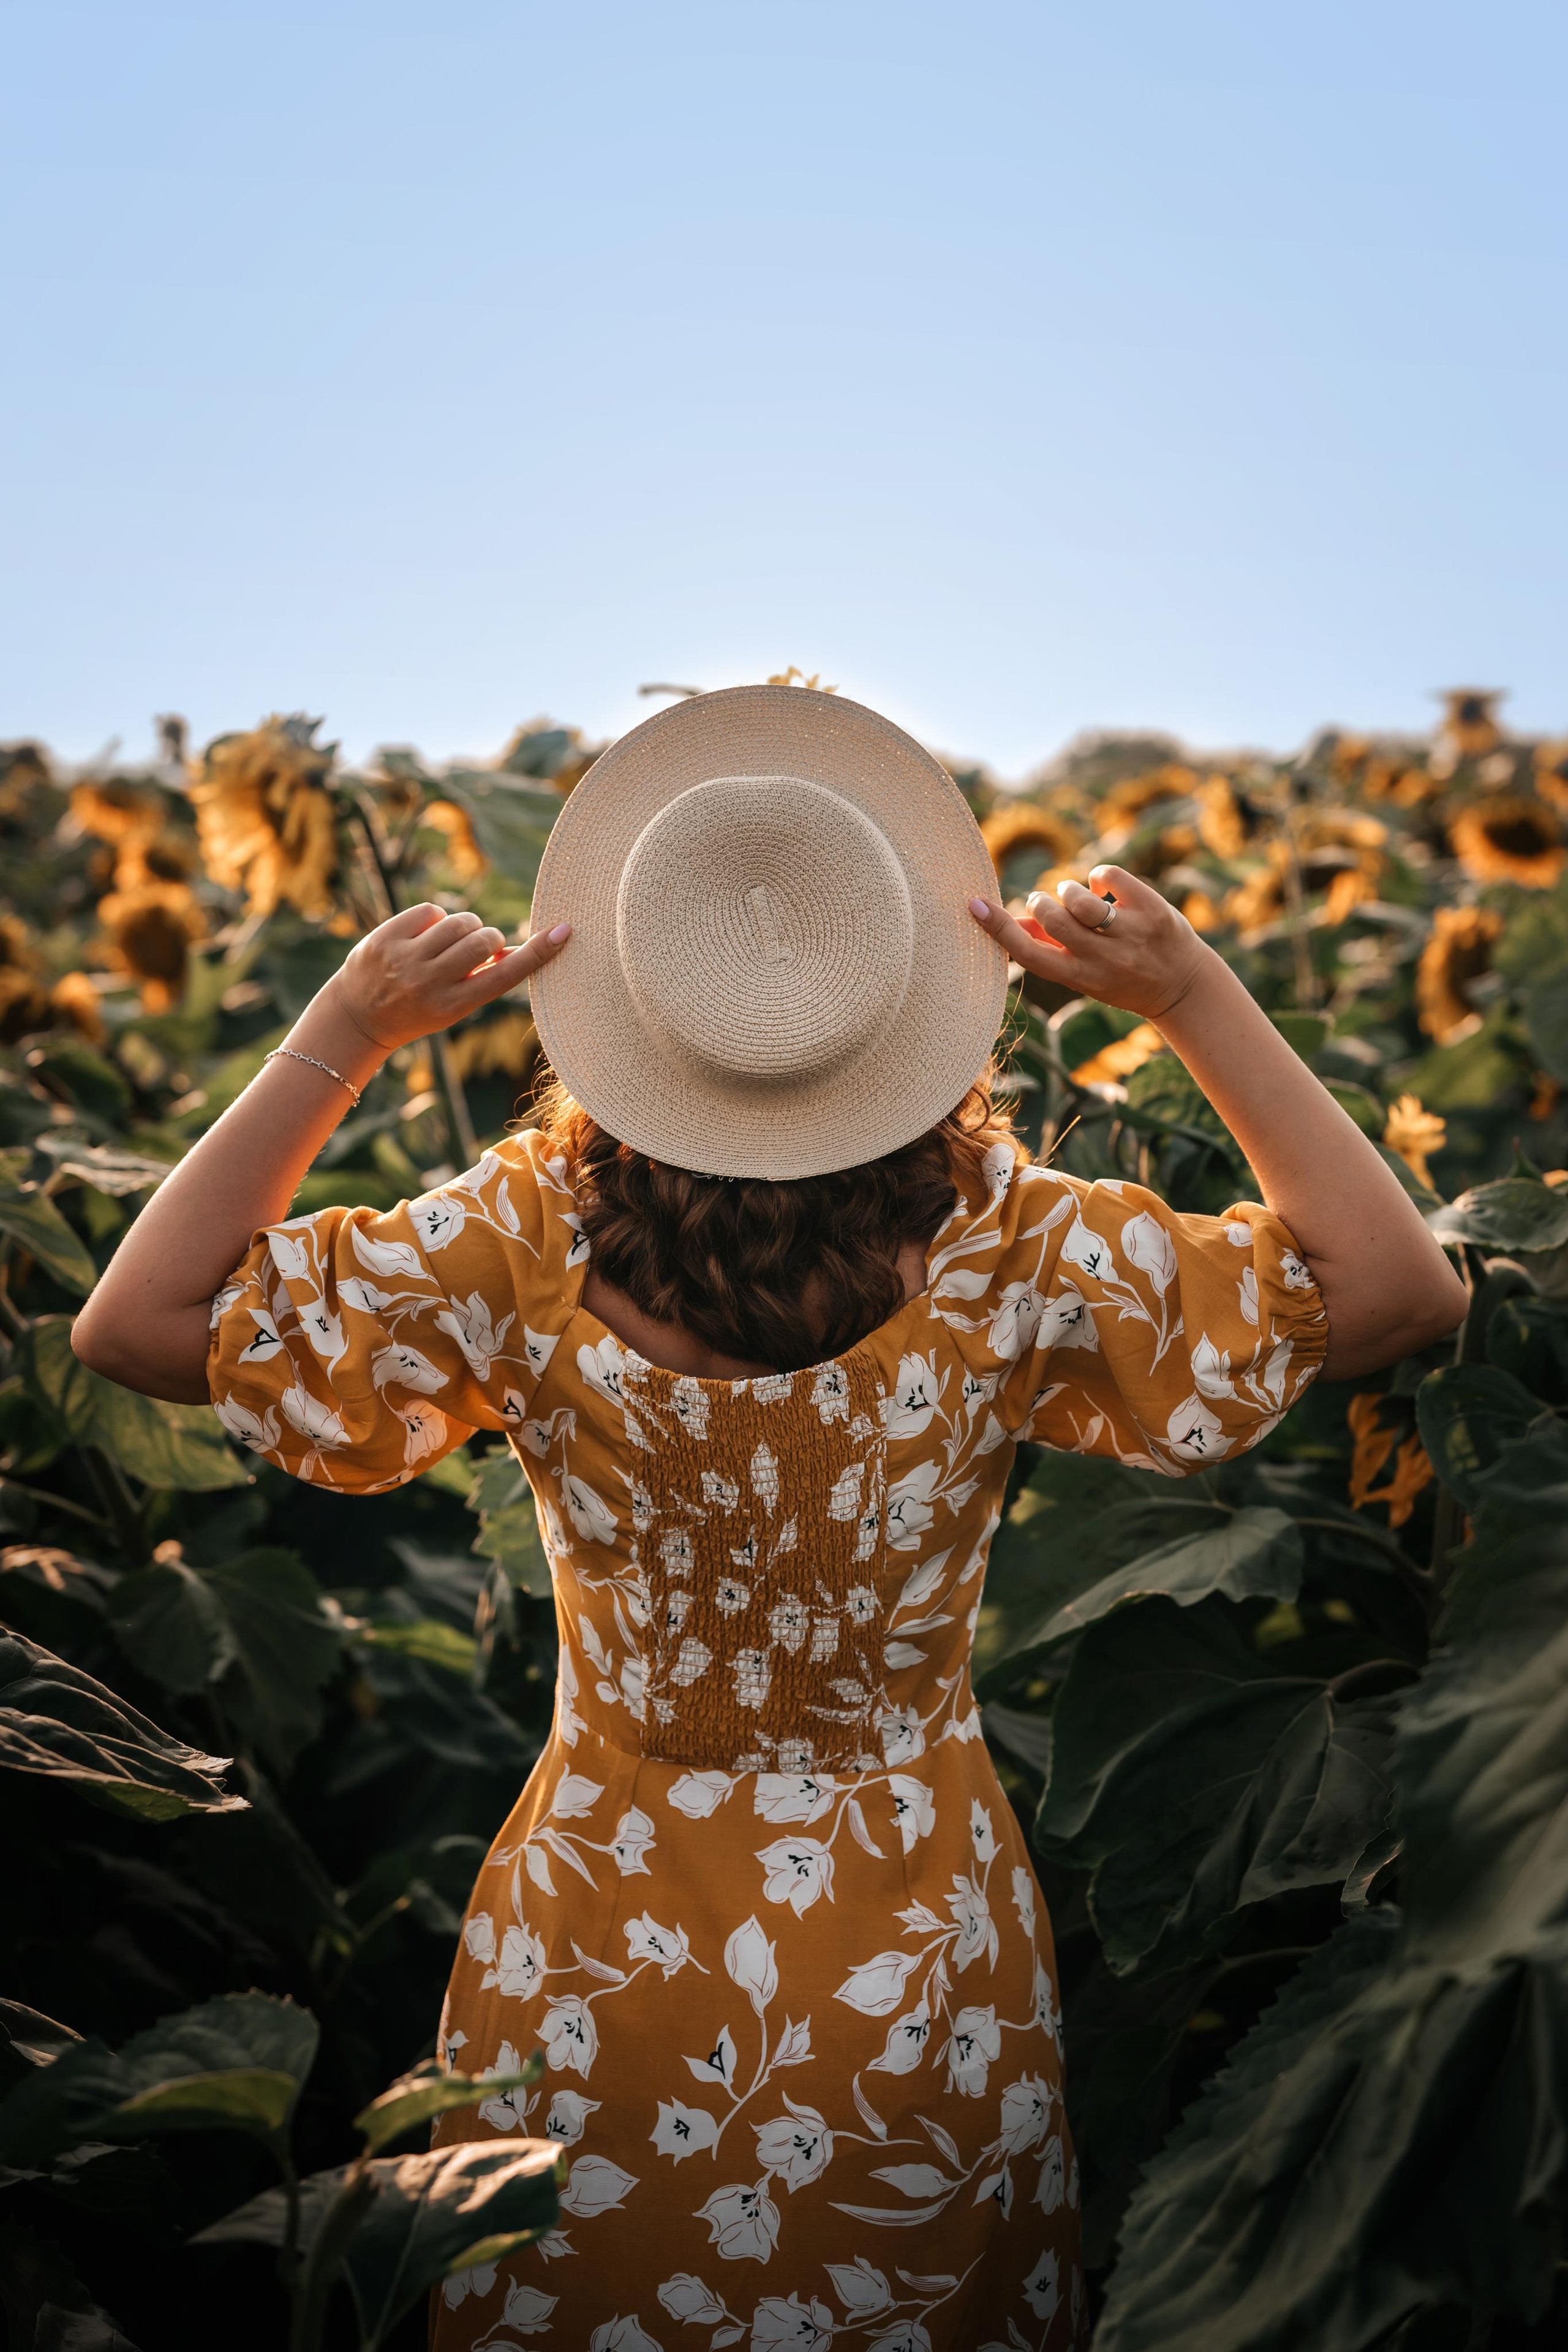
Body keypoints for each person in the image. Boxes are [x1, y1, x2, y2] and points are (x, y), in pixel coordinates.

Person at [74, 684, 1466, 2351]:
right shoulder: (1001, 1245)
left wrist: (345, 1033)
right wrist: (1192, 996)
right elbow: (1396, 1295)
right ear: (906, 999)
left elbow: (136, 1328)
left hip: (600, 1929)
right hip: (916, 1941)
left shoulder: (522, 1237)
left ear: (628, 1002)